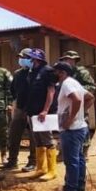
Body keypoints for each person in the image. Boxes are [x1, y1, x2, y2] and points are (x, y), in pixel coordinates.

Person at [52, 61, 94, 191]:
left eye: (56, 72)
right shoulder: (75, 82)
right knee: (79, 159)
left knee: (71, 161)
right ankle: (80, 189)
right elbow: (90, 97)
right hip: (80, 127)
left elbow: (76, 99)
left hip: (72, 130)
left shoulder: (67, 84)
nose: (54, 75)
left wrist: (70, 119)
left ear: (62, 73)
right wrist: (80, 113)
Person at [24, 48, 59, 181]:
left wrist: (45, 110)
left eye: (31, 58)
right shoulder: (33, 72)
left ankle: (52, 170)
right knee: (37, 140)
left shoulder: (47, 72)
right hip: (33, 112)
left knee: (47, 140)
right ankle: (41, 168)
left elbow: (51, 92)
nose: (29, 60)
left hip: (43, 112)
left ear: (37, 59)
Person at [3, 48, 37, 171]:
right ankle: (12, 161)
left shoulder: (38, 73)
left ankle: (33, 161)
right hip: (19, 108)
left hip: (34, 109)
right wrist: (14, 104)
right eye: (20, 57)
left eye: (24, 57)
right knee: (13, 134)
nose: (21, 60)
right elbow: (12, 91)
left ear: (31, 59)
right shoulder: (17, 73)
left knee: (34, 137)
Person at [59, 50, 96, 157]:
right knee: (64, 125)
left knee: (81, 123)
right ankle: (64, 150)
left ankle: (84, 149)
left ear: (74, 60)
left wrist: (75, 90)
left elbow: (91, 87)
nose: (67, 61)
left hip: (79, 102)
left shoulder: (81, 72)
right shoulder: (64, 73)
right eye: (65, 59)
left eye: (69, 59)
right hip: (66, 103)